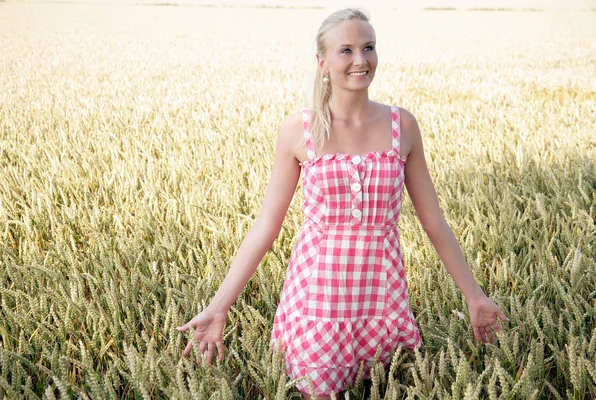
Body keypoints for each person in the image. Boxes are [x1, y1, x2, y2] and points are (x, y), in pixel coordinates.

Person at [177, 7, 509, 400]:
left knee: (386, 389)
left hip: (381, 301)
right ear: (322, 62)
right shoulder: (299, 130)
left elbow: (433, 221)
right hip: (317, 303)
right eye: (346, 50)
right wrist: (219, 306)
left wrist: (475, 297)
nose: (360, 60)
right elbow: (266, 226)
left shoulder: (402, 126)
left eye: (368, 47)